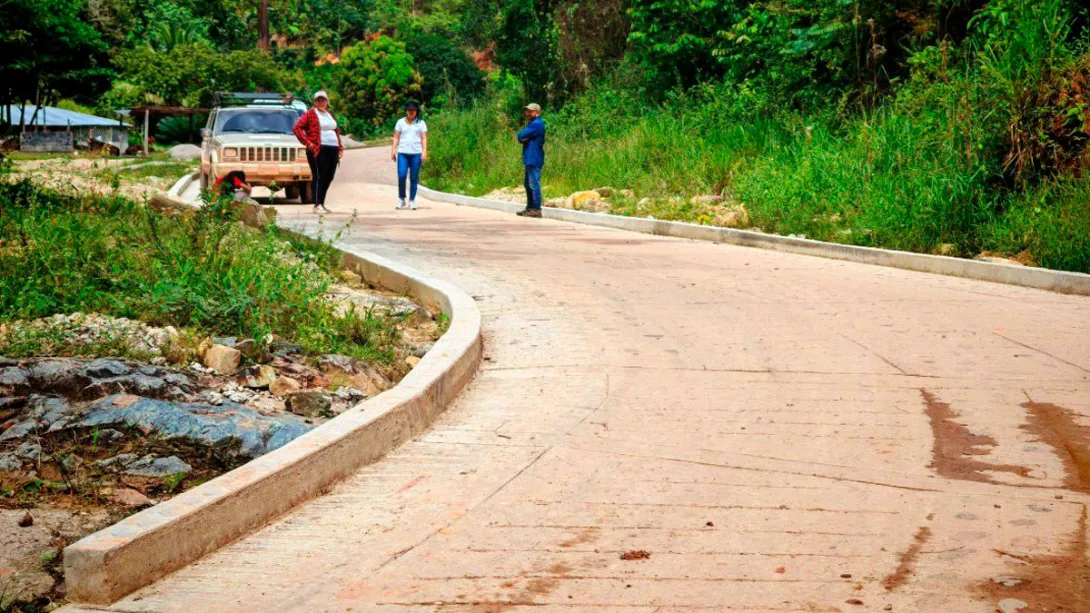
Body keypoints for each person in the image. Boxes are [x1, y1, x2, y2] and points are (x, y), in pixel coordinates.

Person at [292, 90, 343, 214]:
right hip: (317, 149)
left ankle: (322, 203)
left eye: (323, 100)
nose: (321, 102)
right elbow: (297, 128)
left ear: (327, 102)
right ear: (314, 102)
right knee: (319, 175)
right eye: (318, 100)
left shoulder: (330, 114)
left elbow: (336, 132)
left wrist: (340, 147)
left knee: (329, 176)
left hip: (333, 149)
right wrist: (307, 143)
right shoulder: (310, 114)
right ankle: (317, 204)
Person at [391, 101, 428, 210]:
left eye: (413, 110)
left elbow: (424, 138)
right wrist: (393, 150)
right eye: (409, 110)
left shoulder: (421, 123)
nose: (411, 112)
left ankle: (412, 201)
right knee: (402, 175)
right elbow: (396, 137)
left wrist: (424, 151)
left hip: (416, 153)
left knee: (414, 177)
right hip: (402, 153)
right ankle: (402, 199)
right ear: (406, 111)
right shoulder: (400, 122)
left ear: (416, 111)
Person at [516, 103, 546, 218]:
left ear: (537, 112)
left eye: (530, 111)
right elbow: (521, 137)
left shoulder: (536, 124)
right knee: (527, 184)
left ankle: (536, 209)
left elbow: (521, 135)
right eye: (527, 111)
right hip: (530, 157)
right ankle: (530, 208)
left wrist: (524, 138)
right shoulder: (533, 124)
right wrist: (523, 138)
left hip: (534, 157)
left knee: (534, 184)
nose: (527, 113)